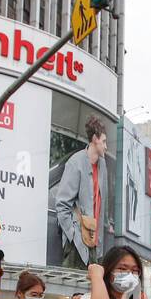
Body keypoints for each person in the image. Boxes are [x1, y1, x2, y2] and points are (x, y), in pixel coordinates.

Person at [54, 115, 109, 270]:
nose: (106, 147)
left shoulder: (102, 165)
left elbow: (101, 202)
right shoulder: (75, 163)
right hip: (77, 242)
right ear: (94, 139)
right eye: (104, 141)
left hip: (94, 241)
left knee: (92, 290)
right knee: (73, 290)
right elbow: (62, 204)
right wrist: (73, 236)